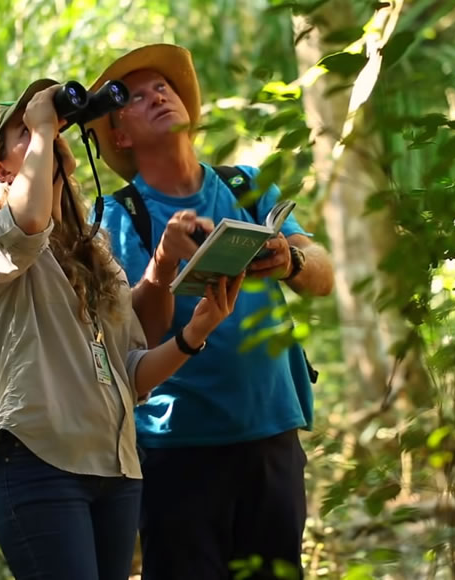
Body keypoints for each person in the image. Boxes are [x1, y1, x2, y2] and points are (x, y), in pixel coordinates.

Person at [0, 78, 243, 580]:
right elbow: (26, 223)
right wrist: (44, 126)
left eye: (50, 128)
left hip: (117, 473)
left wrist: (193, 334)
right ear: (2, 170)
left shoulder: (97, 253)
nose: (49, 133)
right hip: (40, 464)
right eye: (24, 131)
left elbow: (130, 374)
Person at [87, 45, 335, 580]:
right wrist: (161, 264)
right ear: (119, 134)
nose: (156, 96)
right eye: (135, 96)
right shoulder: (114, 217)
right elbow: (128, 340)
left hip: (272, 432)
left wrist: (289, 258)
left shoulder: (245, 185)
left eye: (164, 87)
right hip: (177, 449)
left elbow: (323, 275)